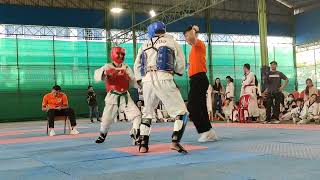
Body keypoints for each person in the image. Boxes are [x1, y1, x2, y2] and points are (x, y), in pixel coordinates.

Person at [134, 21, 189, 153]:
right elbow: (181, 61)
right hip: (164, 77)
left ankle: (143, 145)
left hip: (147, 80)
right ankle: (175, 141)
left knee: (147, 113)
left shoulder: (144, 44)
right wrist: (177, 72)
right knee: (181, 112)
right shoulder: (171, 41)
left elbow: (137, 65)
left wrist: (140, 81)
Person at [94, 46, 141, 145]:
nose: (120, 56)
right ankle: (102, 134)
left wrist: (142, 85)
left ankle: (135, 133)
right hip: (112, 96)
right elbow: (97, 76)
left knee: (137, 115)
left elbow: (134, 81)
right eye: (118, 54)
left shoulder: (126, 67)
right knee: (106, 118)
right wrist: (105, 74)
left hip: (125, 96)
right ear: (113, 54)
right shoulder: (107, 66)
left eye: (122, 54)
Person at [183, 25, 217, 142]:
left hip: (199, 78)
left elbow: (193, 38)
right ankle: (210, 132)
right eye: (185, 36)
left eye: (187, 35)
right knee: (201, 107)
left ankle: (204, 131)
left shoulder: (199, 44)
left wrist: (193, 29)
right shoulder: (193, 50)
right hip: (196, 79)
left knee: (192, 107)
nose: (186, 38)